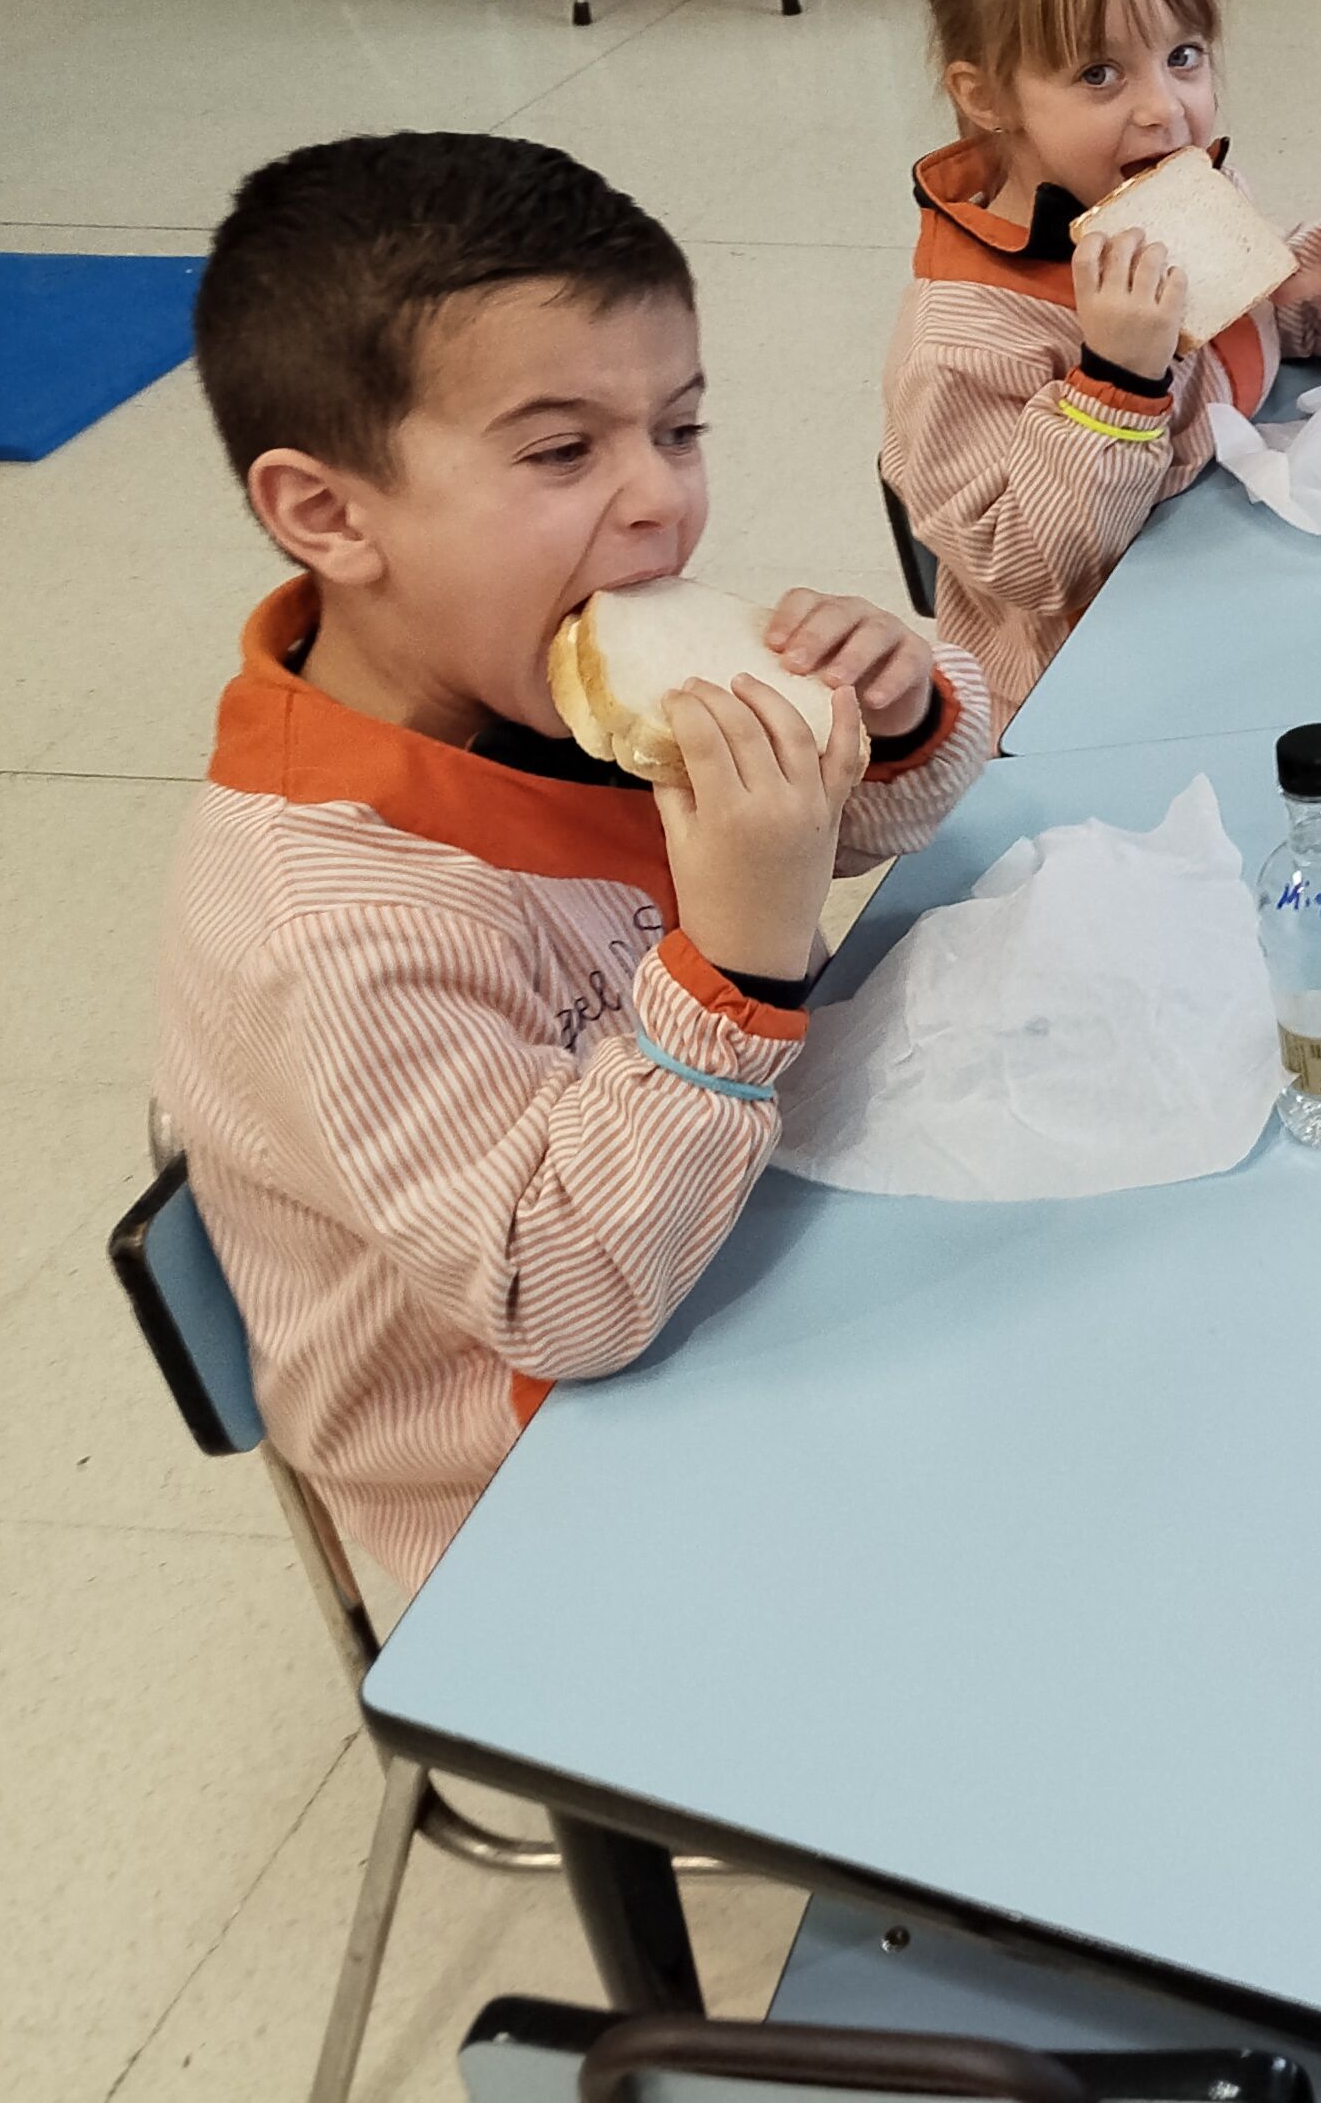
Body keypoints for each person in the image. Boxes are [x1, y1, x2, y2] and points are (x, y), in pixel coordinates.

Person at [154, 135, 997, 1601]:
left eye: (677, 429)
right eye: (562, 452)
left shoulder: (525, 675)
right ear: (327, 514)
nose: (659, 500)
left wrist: (896, 712)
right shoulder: (330, 927)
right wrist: (736, 960)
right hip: (536, 1505)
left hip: (724, 1249)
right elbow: (563, 1299)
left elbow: (856, 824)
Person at [882, 0, 1321, 719]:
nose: (1163, 109)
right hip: (1092, 686)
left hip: (1244, 589)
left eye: (1183, 58)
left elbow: (1238, 351)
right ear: (987, 97)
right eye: (1099, 75)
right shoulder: (965, 333)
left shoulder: (1181, 192)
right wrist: (1116, 382)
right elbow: (1027, 563)